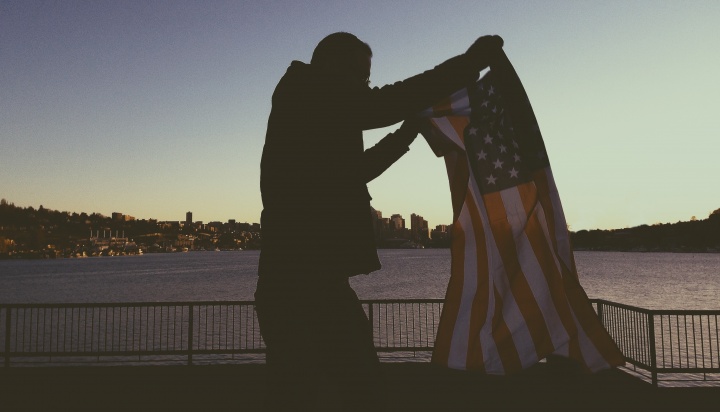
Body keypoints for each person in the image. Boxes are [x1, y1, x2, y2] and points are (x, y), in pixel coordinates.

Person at [255, 32, 503, 411]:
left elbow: (355, 170)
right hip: (298, 286)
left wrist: (406, 133)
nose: (364, 86)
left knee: (341, 388)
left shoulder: (314, 109)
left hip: (311, 281)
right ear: (331, 66)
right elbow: (388, 101)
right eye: (360, 76)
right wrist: (468, 64)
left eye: (367, 79)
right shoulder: (305, 91)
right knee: (326, 390)